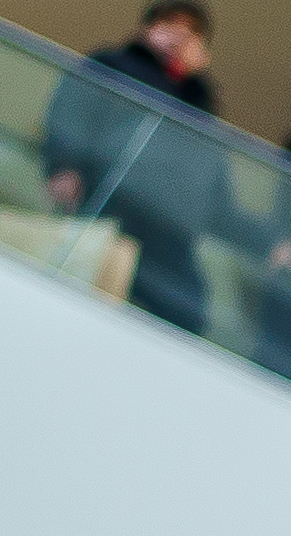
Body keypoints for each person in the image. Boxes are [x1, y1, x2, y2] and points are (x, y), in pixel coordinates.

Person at [41, 8, 231, 338]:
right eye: (169, 24)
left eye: (190, 33)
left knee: (187, 313)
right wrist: (63, 165)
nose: (178, 36)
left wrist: (269, 243)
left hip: (170, 231)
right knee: (89, 298)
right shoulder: (113, 66)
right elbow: (70, 112)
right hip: (110, 202)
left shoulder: (201, 108)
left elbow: (220, 197)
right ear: (147, 29)